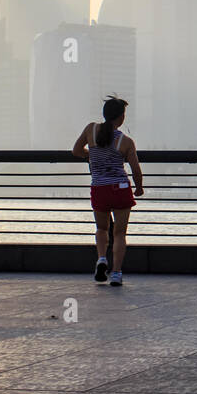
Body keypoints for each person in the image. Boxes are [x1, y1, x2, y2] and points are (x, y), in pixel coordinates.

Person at [72, 95, 143, 286]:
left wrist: (91, 156)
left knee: (102, 229)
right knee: (119, 234)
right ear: (120, 117)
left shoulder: (91, 130)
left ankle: (102, 258)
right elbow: (136, 170)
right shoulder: (126, 141)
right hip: (119, 188)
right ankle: (117, 273)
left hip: (99, 188)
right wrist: (139, 188)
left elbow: (76, 150)